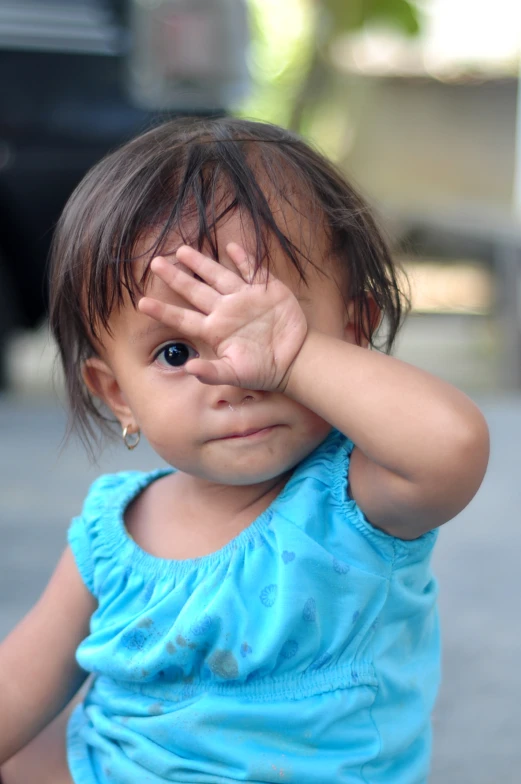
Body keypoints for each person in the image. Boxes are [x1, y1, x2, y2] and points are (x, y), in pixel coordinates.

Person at [0, 117, 489, 784]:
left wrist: (295, 361)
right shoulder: (109, 533)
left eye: (265, 331)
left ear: (352, 328)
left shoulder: (355, 499)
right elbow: (23, 680)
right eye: (175, 352)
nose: (234, 374)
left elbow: (451, 445)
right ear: (117, 395)